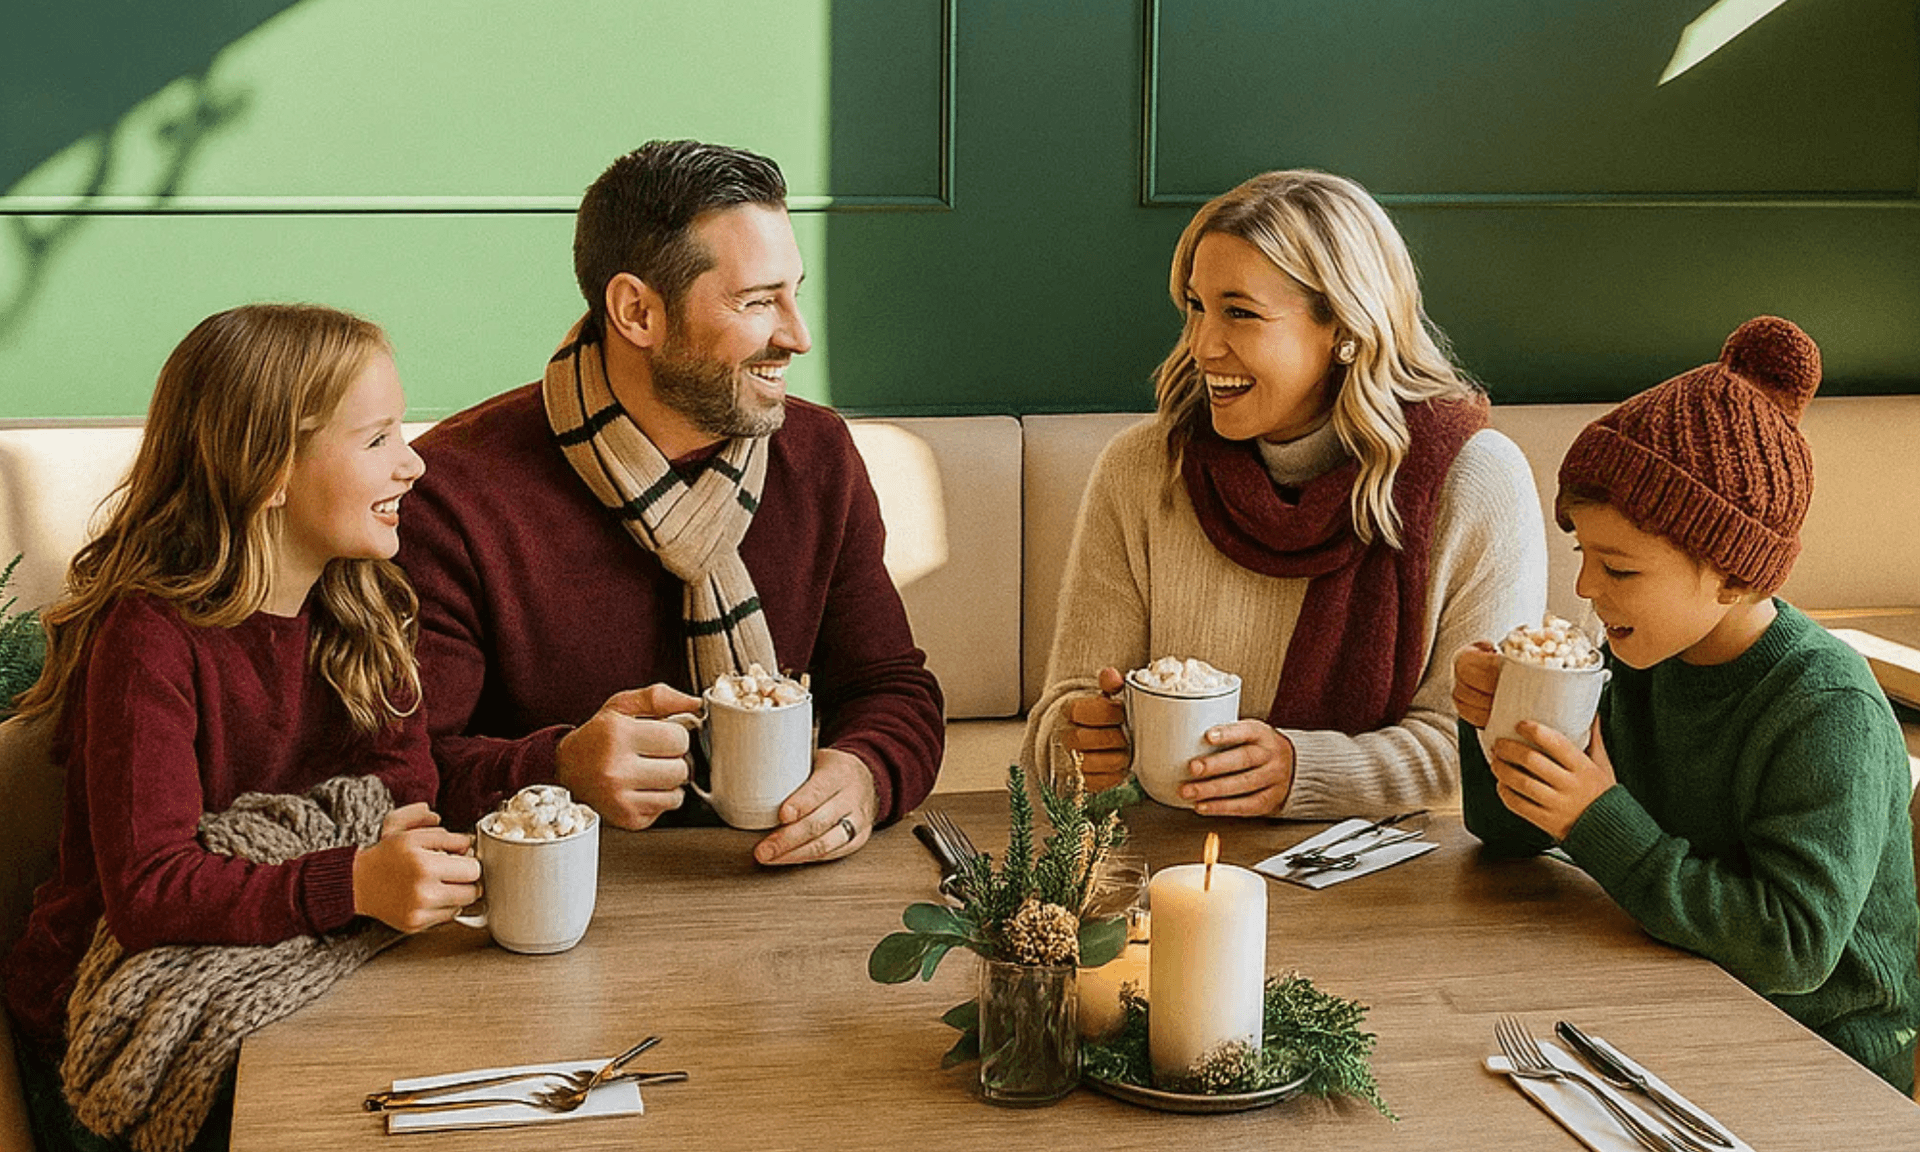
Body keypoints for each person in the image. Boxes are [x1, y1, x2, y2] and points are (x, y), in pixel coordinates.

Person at [2, 305, 481, 1150]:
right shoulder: (149, 640)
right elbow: (150, 891)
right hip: (115, 1027)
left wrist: (360, 860)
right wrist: (354, 882)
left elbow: (405, 792)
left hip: (294, 969)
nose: (413, 463)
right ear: (270, 471)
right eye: (375, 440)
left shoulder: (365, 605)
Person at [396, 140, 944, 864]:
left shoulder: (816, 456)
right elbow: (403, 772)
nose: (798, 336)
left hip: (769, 882)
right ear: (636, 312)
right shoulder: (453, 491)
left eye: (794, 292)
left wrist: (867, 773)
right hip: (558, 906)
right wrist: (558, 770)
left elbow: (890, 686)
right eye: (756, 302)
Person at [1454, 316, 1920, 1091]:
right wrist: (1496, 729)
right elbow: (1505, 837)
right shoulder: (1635, 658)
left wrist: (1596, 819)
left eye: (1621, 570)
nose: (1586, 591)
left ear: (1736, 577)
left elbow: (1794, 950)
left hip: (1819, 1061)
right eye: (1585, 556)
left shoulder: (1826, 710)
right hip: (1665, 996)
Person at [1024, 169, 1545, 816]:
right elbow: (1055, 726)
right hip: (1170, 865)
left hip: (1394, 879)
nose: (1201, 346)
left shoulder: (1474, 481)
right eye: (1196, 307)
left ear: (1346, 329)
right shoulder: (1142, 470)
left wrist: (1303, 771)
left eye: (1239, 313)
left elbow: (1485, 747)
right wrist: (1080, 742)